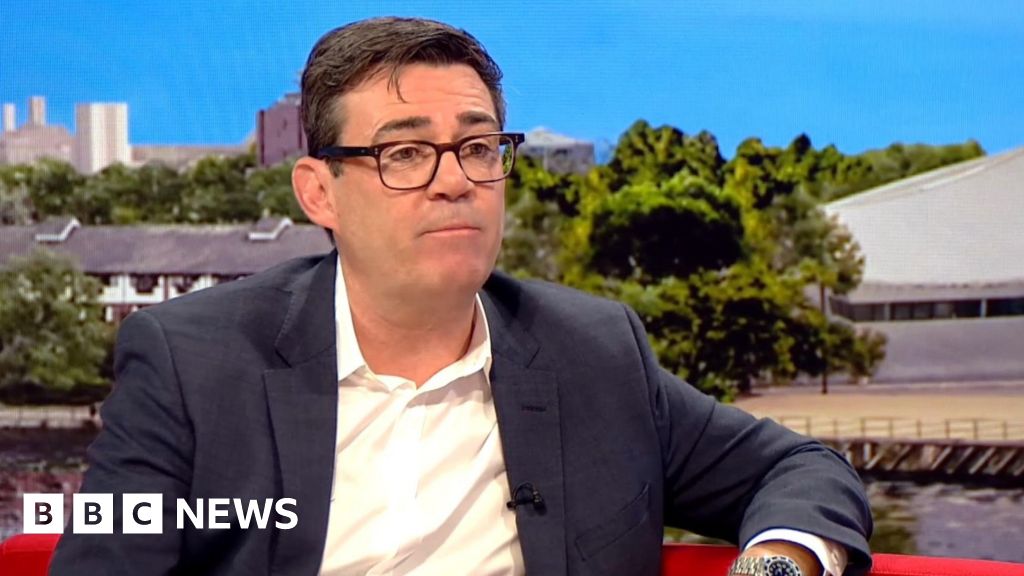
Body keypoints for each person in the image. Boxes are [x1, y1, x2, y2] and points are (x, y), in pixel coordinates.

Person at [50, 17, 872, 576]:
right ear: (319, 192)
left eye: (478, 147)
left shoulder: (592, 352)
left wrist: (777, 565)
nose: (455, 182)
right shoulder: (190, 363)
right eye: (406, 154)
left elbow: (802, 469)